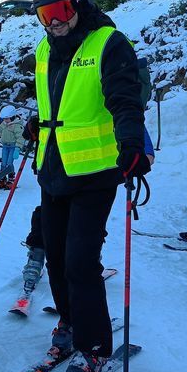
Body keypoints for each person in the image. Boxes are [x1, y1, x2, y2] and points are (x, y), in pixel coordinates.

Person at [30, 0, 150, 372]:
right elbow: (57, 100)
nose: (53, 21)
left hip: (95, 173)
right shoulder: (45, 48)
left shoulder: (109, 43)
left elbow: (124, 99)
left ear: (80, 4)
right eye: (45, 14)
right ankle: (68, 318)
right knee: (57, 259)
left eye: (60, 11)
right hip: (54, 169)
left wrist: (132, 142)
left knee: (81, 262)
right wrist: (38, 124)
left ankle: (94, 345)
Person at [16, 126, 156, 308]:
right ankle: (37, 255)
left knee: (84, 230)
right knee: (44, 220)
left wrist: (138, 155)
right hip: (57, 177)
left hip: (92, 183)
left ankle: (88, 262)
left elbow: (141, 140)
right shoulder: (61, 101)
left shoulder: (111, 102)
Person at [0, 105, 24, 190]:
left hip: (13, 147)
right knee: (3, 163)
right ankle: (2, 178)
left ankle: (11, 179)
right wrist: (3, 139)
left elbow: (20, 137)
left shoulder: (17, 126)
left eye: (7, 119)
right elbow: (0, 131)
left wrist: (17, 148)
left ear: (12, 117)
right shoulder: (3, 124)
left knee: (9, 163)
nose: (5, 121)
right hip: (5, 146)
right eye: (4, 119)